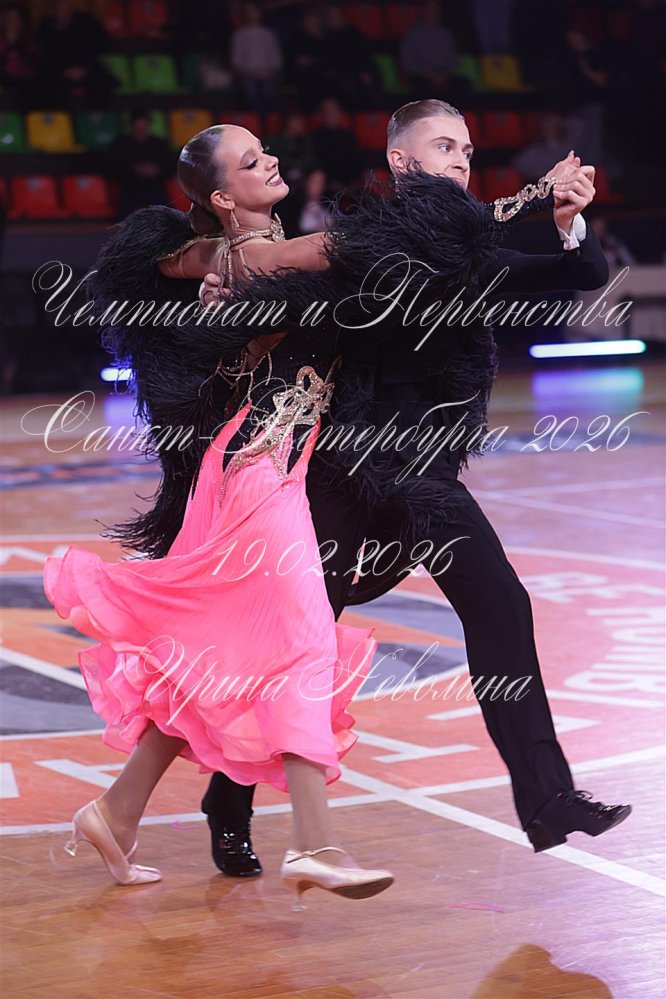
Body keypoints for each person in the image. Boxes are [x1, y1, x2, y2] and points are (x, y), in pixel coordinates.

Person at [44, 123, 494, 902]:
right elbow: (332, 252)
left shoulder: (250, 251)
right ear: (223, 198)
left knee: (216, 656)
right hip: (260, 463)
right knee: (302, 640)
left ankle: (115, 812)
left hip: (277, 463)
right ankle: (315, 842)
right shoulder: (249, 257)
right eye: (251, 162)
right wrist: (470, 212)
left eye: (266, 152)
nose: (272, 160)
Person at [199, 101, 631, 876]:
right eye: (442, 145)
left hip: (423, 473)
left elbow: (580, 273)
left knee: (501, 605)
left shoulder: (467, 249)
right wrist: (228, 291)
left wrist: (567, 220)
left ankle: (549, 797)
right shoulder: (367, 239)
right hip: (350, 467)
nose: (461, 158)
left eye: (467, 148)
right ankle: (227, 800)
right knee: (301, 642)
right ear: (400, 161)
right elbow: (281, 285)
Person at [106, 110, 173, 218]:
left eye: (144, 122)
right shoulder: (121, 145)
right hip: (131, 189)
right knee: (124, 212)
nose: (141, 126)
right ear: (132, 124)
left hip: (155, 188)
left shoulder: (159, 144)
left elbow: (170, 167)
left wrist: (156, 170)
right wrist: (135, 169)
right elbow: (113, 169)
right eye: (138, 123)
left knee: (167, 213)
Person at [229, 2, 282, 114]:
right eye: (249, 12)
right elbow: (236, 60)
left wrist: (268, 71)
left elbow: (275, 57)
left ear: (260, 13)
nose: (252, 15)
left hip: (268, 74)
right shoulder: (240, 35)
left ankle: (270, 120)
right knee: (251, 95)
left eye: (254, 12)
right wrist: (249, 73)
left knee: (269, 95)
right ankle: (255, 120)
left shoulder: (268, 34)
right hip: (247, 75)